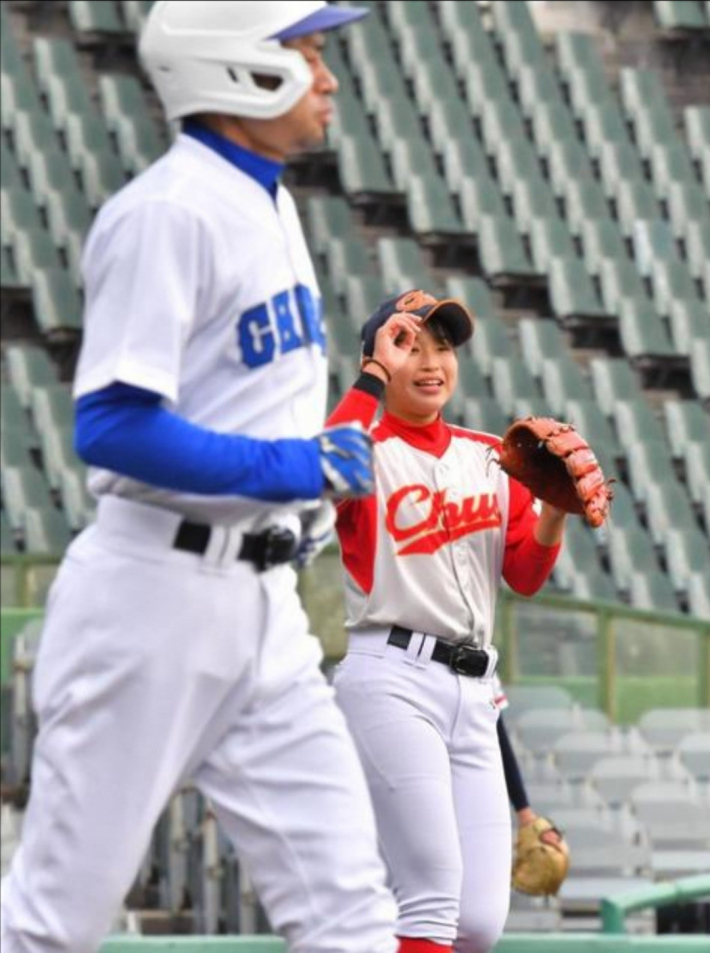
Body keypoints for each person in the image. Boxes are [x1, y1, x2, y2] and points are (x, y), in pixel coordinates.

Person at [0, 4, 403, 952]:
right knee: (56, 923)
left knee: (351, 909)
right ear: (239, 70)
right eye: (307, 53)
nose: (329, 76)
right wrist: (293, 465)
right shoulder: (165, 212)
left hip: (264, 602)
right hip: (153, 599)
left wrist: (307, 473)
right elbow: (111, 424)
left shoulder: (271, 200)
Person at [326, 290, 569, 953]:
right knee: (432, 891)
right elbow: (324, 466)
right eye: (411, 346)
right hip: (392, 675)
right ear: (379, 357)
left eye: (442, 346)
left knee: (480, 920)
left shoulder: (494, 456)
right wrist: (370, 379)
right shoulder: (362, 450)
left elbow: (522, 574)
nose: (431, 361)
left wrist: (552, 510)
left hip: (474, 692)